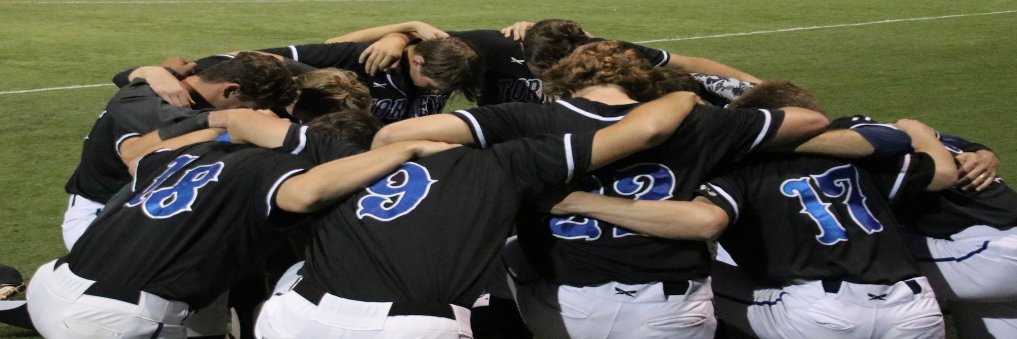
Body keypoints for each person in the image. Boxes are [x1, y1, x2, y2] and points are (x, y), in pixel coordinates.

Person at [371, 41, 829, 338]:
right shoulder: (700, 122)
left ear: (562, 82)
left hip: (563, 304)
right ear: (642, 83)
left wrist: (490, 169)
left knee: (501, 257)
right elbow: (811, 120)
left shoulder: (528, 118)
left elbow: (395, 137)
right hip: (669, 308)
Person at [253, 90, 704, 338]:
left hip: (297, 313)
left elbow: (246, 124)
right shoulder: (501, 163)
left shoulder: (330, 154)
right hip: (412, 325)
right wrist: (684, 94)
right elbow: (647, 129)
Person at [27, 107, 456, 339]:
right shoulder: (273, 170)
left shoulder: (197, 151)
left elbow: (137, 157)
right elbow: (305, 193)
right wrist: (402, 151)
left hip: (54, 283)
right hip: (113, 320)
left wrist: (227, 125)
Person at [61, 52, 298, 250]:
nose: (251, 115)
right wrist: (228, 121)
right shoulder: (155, 111)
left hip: (153, 210)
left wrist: (152, 71)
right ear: (230, 90)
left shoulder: (190, 83)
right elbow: (134, 157)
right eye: (249, 108)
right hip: (104, 216)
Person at [328, 19, 759, 106]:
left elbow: (689, 60)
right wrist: (398, 32)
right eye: (540, 70)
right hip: (511, 141)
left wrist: (755, 85)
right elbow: (425, 40)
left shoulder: (600, 50)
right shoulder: (492, 45)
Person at [893, 133, 1017, 338]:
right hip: (995, 251)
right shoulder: (910, 134)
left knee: (868, 253)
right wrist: (984, 152)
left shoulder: (874, 150)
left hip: (994, 252)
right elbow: (954, 141)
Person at [254, 37, 482, 123]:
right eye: (434, 84)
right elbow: (260, 58)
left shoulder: (449, 61)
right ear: (418, 62)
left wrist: (403, 35)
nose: (439, 92)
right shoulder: (366, 57)